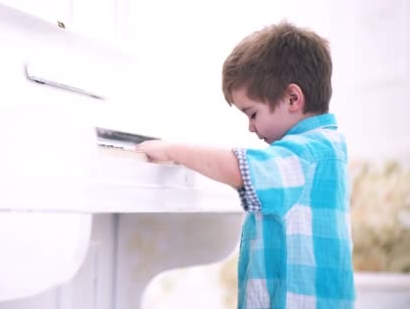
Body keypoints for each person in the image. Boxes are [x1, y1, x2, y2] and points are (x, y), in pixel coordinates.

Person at [136, 21, 355, 308]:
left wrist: (172, 150)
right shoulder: (324, 148)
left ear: (292, 98)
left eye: (252, 113)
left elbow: (237, 167)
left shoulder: (306, 154)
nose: (251, 127)